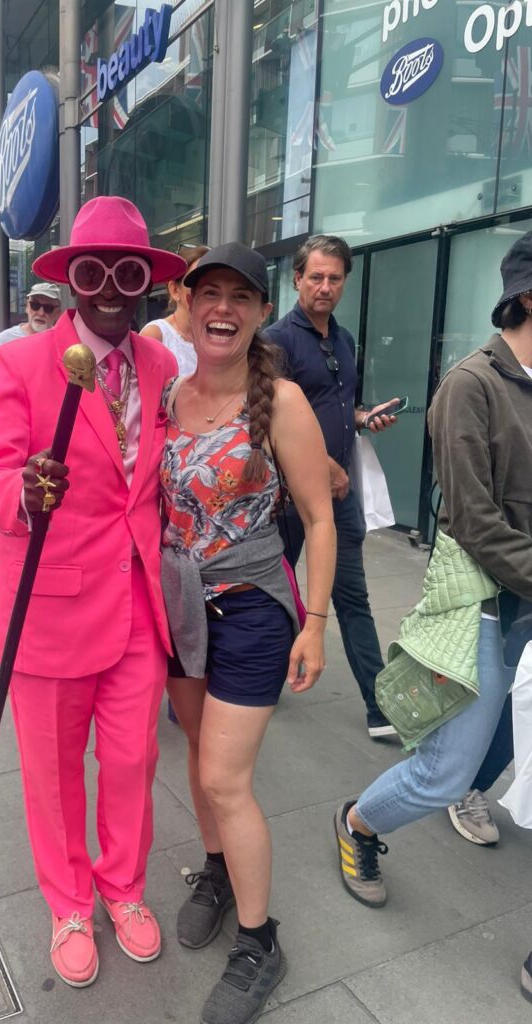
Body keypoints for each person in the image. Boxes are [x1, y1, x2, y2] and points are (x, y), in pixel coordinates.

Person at [0, 196, 187, 988]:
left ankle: (122, 888)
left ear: (149, 281)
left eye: (130, 273)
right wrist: (23, 492)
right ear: (73, 280)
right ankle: (69, 904)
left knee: (132, 760)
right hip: (50, 613)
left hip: (136, 610)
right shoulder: (22, 362)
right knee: (54, 778)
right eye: (95, 274)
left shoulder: (160, 367)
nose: (112, 290)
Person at [160, 244, 335, 1024]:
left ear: (262, 310)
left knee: (227, 779)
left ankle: (260, 942)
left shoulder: (285, 402)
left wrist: (317, 623)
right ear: (186, 305)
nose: (222, 307)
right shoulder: (169, 396)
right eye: (209, 293)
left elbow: (323, 518)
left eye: (240, 296)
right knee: (200, 765)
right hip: (181, 607)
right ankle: (220, 871)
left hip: (254, 610)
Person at [333, 230, 532, 914]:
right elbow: (475, 523)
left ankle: (481, 784)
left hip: (525, 610)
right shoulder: (470, 386)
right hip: (484, 604)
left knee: (496, 744)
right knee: (444, 771)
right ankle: (358, 822)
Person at [265, 235, 401, 740]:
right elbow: (266, 421)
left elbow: (344, 407)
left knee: (353, 596)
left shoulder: (342, 341)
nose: (325, 287)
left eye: (334, 278)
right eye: (315, 277)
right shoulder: (276, 342)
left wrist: (366, 418)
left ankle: (378, 705)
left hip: (337, 497)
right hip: (285, 497)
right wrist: (322, 466)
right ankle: (259, 678)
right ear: (297, 279)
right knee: (274, 593)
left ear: (345, 281)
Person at [140, 244, 209, 374]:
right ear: (175, 290)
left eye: (212, 289)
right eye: (195, 284)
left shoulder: (216, 337)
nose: (205, 294)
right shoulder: (156, 335)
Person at [0, 283, 63, 374]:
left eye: (48, 308)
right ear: (27, 307)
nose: (41, 313)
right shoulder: (3, 341)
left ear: (58, 313)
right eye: (35, 305)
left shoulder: (62, 344)